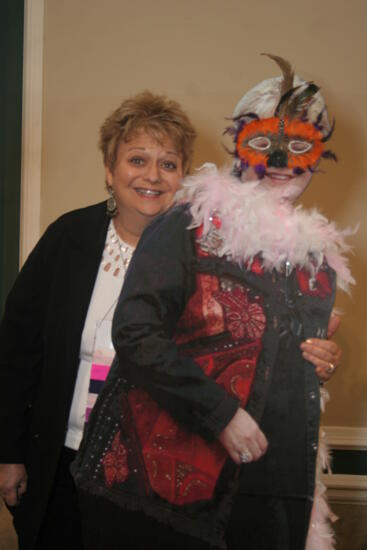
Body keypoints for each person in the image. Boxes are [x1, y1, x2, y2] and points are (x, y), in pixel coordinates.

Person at [72, 56, 353, 550]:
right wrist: (219, 412)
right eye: (264, 143)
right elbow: (137, 332)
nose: (282, 161)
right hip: (162, 493)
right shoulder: (186, 224)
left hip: (263, 491)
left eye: (300, 146)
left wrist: (319, 363)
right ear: (238, 146)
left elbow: (278, 362)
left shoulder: (317, 261)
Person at [0, 91, 197, 549]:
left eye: (168, 163)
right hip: (61, 463)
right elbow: (17, 350)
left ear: (183, 176)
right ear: (110, 171)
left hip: (157, 479)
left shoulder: (203, 255)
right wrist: (9, 454)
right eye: (137, 159)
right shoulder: (69, 237)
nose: (152, 175)